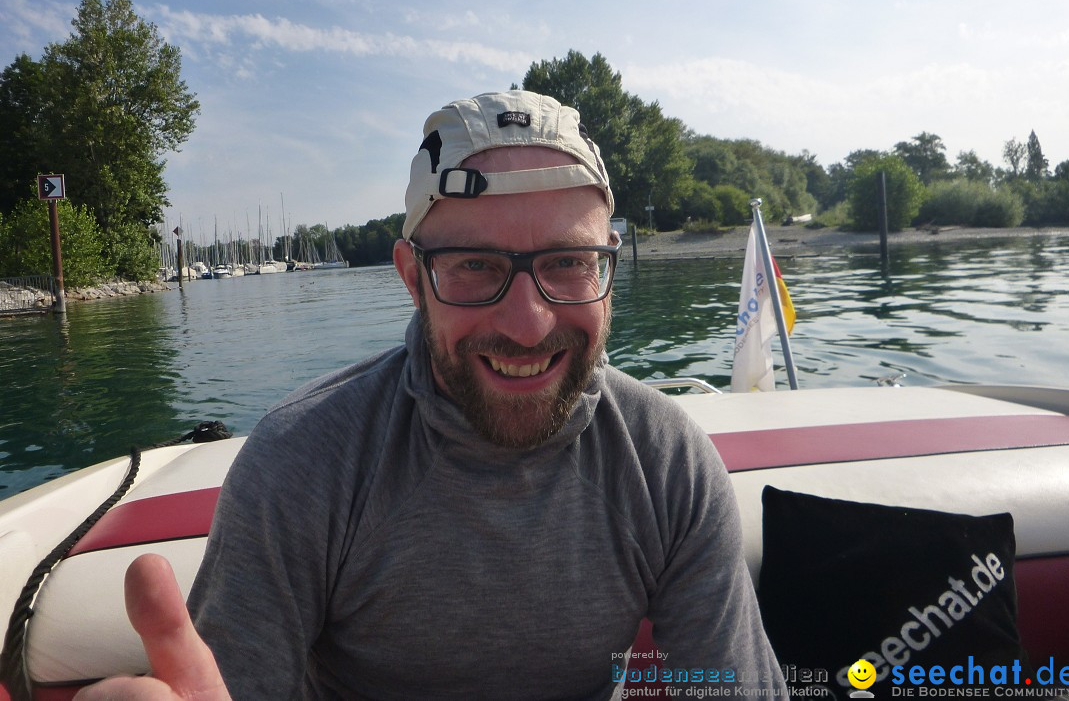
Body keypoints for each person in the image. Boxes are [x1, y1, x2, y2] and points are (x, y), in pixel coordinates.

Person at [75, 91, 788, 700]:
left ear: (608, 266)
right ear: (413, 279)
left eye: (569, 263)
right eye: (474, 265)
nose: (528, 322)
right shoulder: (306, 466)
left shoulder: (666, 464)